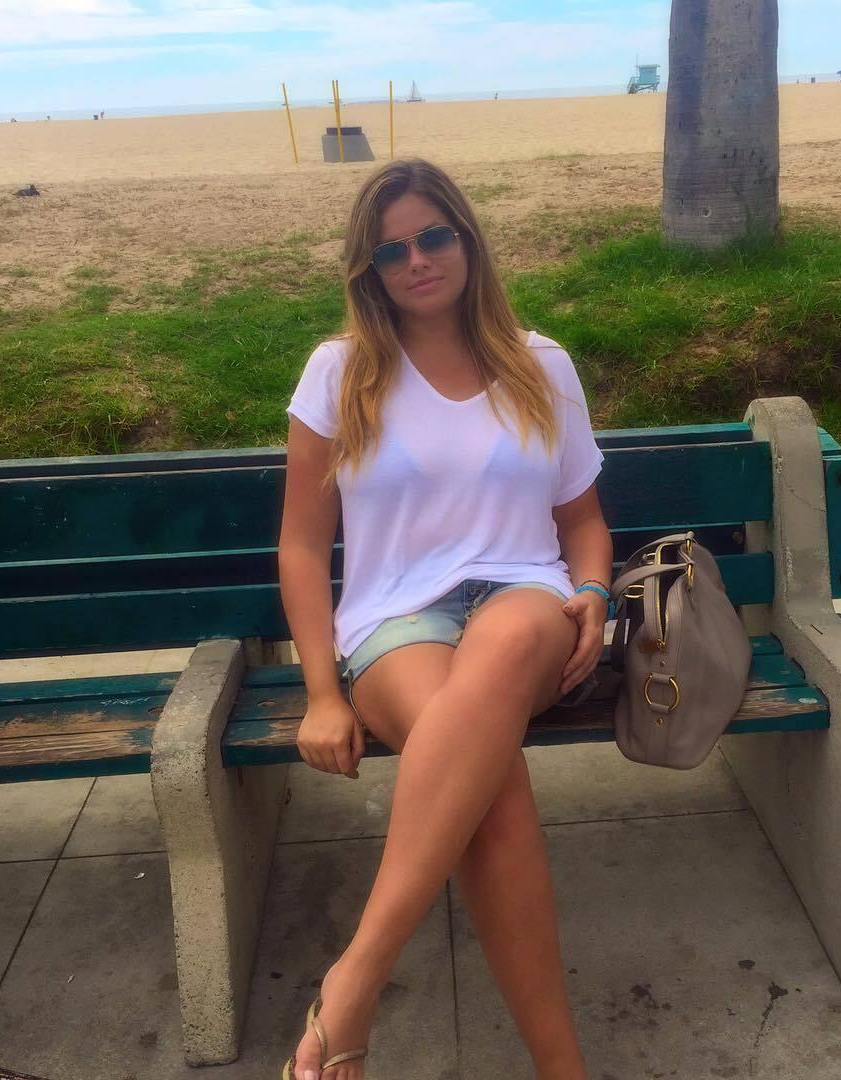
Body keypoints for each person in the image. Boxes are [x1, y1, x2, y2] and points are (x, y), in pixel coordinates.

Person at [278, 157, 610, 1080]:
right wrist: (321, 694)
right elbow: (301, 546)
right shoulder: (340, 372)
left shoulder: (541, 364)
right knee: (487, 791)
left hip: (526, 601)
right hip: (395, 623)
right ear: (369, 270)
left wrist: (591, 591)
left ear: (466, 239)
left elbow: (583, 521)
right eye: (392, 251)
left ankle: (352, 984)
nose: (416, 260)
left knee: (510, 636)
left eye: (432, 237)